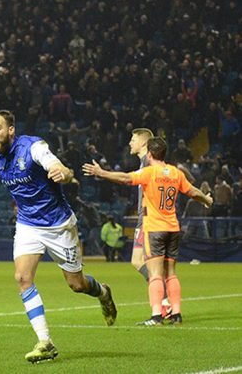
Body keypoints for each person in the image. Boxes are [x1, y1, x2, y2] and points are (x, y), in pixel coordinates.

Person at [0, 110, 116, 363]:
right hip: (28, 225)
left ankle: (103, 293)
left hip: (58, 224)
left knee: (77, 285)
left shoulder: (33, 146)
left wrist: (62, 173)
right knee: (22, 277)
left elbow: (58, 167)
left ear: (11, 130)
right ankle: (45, 342)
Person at [83, 137, 213, 326]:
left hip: (154, 229)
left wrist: (101, 173)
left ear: (150, 154)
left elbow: (126, 178)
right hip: (173, 229)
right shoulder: (176, 173)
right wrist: (207, 200)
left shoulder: (149, 172)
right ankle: (176, 314)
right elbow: (193, 191)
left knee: (155, 274)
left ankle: (156, 316)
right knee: (171, 273)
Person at [126, 128, 171, 316]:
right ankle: (166, 301)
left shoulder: (149, 165)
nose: (130, 142)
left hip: (148, 219)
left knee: (140, 262)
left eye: (133, 139)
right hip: (148, 219)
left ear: (144, 143)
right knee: (145, 263)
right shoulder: (148, 164)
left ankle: (165, 300)